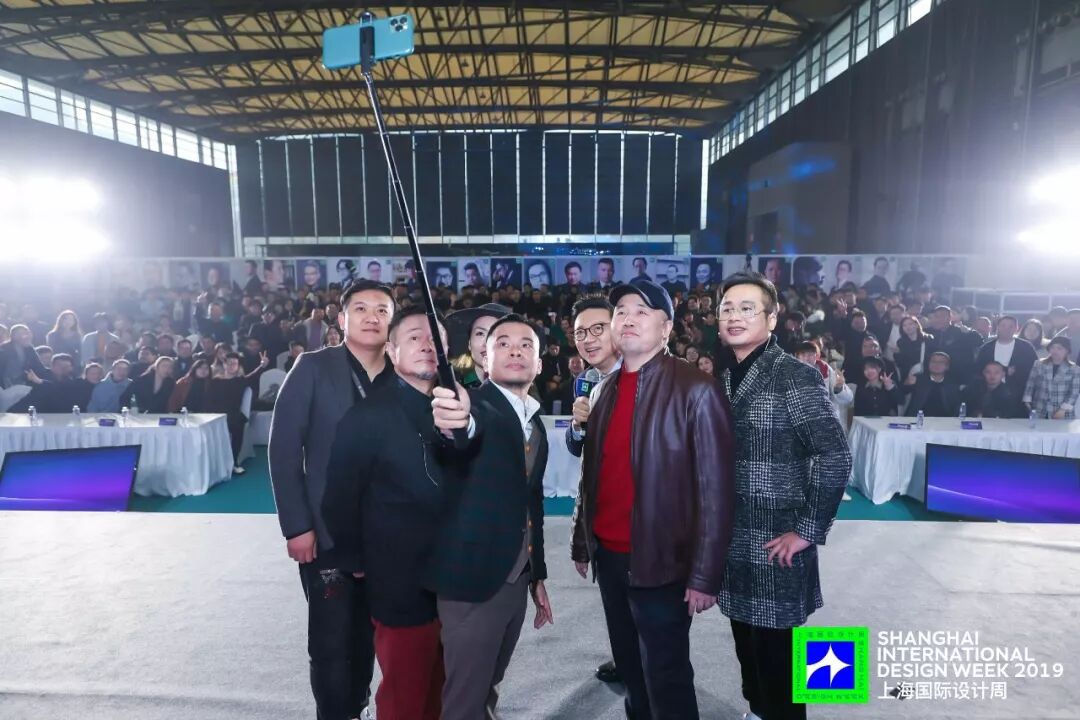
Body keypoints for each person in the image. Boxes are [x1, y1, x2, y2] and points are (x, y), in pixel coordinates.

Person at [570, 278, 735, 719]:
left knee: (666, 675)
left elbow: (716, 492)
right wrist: (583, 543)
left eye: (642, 311)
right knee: (630, 669)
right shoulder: (603, 391)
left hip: (664, 562)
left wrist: (705, 575)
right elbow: (593, 476)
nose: (628, 318)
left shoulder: (696, 389)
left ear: (666, 328)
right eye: (621, 311)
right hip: (610, 558)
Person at [715, 271, 852, 720]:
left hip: (778, 543)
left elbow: (834, 455)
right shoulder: (725, 378)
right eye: (727, 308)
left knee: (780, 660)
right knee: (747, 646)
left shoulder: (795, 375)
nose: (735, 316)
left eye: (747, 308)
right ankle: (757, 710)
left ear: (772, 319)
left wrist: (807, 530)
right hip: (735, 540)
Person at [323, 306, 458, 720]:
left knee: (444, 687)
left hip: (456, 577)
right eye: (415, 337)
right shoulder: (367, 416)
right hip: (400, 578)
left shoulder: (459, 411)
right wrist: (358, 561)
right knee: (405, 693)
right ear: (392, 351)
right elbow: (339, 497)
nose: (427, 345)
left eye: (436, 338)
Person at [269, 279, 396, 720]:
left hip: (389, 537)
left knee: (369, 636)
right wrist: (297, 526)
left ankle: (357, 705)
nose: (371, 317)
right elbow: (284, 450)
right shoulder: (313, 368)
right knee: (330, 641)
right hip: (324, 533)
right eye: (360, 309)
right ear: (341, 319)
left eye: (382, 310)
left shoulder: (404, 374)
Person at [429, 314, 554, 720]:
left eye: (526, 344)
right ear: (485, 358)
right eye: (503, 343)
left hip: (516, 580)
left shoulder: (535, 423)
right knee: (465, 697)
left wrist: (537, 574)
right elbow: (462, 433)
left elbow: (531, 500)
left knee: (488, 685)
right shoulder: (476, 406)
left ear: (539, 364)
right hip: (472, 583)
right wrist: (458, 422)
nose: (515, 350)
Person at [210, 350, 269, 473]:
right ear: (224, 364)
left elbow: (254, 375)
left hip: (233, 415)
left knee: (238, 423)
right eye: (229, 363)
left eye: (235, 363)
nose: (232, 366)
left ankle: (234, 462)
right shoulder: (215, 381)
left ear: (238, 366)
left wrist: (262, 365)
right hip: (216, 415)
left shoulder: (240, 381)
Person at [446, 303, 511, 388]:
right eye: (480, 333)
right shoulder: (453, 388)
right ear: (469, 343)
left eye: (497, 335)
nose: (487, 344)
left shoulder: (523, 388)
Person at [975, 315, 1038, 392]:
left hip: (1018, 392)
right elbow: (978, 370)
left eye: (1011, 326)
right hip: (989, 392)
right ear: (998, 327)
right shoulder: (986, 348)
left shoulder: (1026, 348)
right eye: (1003, 325)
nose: (1006, 329)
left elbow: (1035, 370)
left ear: (1016, 328)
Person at [1023, 336, 1080, 419]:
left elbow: (1074, 392)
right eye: (1052, 347)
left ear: (1067, 351)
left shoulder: (1074, 369)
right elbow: (1030, 384)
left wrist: (1063, 409)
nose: (1055, 351)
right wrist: (1027, 401)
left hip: (1062, 412)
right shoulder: (1039, 364)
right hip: (1039, 408)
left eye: (1059, 348)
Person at [793, 341, 853, 418]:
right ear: (797, 356)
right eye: (803, 354)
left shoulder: (826, 370)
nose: (807, 358)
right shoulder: (789, 373)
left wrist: (839, 388)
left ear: (816, 356)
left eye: (810, 354)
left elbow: (848, 398)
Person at [903, 351, 962, 417]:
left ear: (947, 366)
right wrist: (906, 384)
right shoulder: (918, 379)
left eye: (941, 362)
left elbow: (956, 407)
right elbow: (901, 395)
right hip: (918, 419)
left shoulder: (952, 384)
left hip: (944, 420)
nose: (936, 364)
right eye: (933, 361)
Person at [0, 324, 51, 390]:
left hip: (25, 383)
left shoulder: (29, 348)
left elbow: (39, 367)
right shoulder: (4, 350)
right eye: (22, 333)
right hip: (6, 386)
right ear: (13, 336)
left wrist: (52, 373)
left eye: (28, 333)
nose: (27, 336)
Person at [895, 315, 934, 381]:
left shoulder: (928, 339)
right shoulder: (901, 342)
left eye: (910, 324)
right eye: (904, 325)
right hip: (908, 375)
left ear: (916, 325)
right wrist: (896, 354)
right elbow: (901, 363)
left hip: (926, 373)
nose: (908, 327)